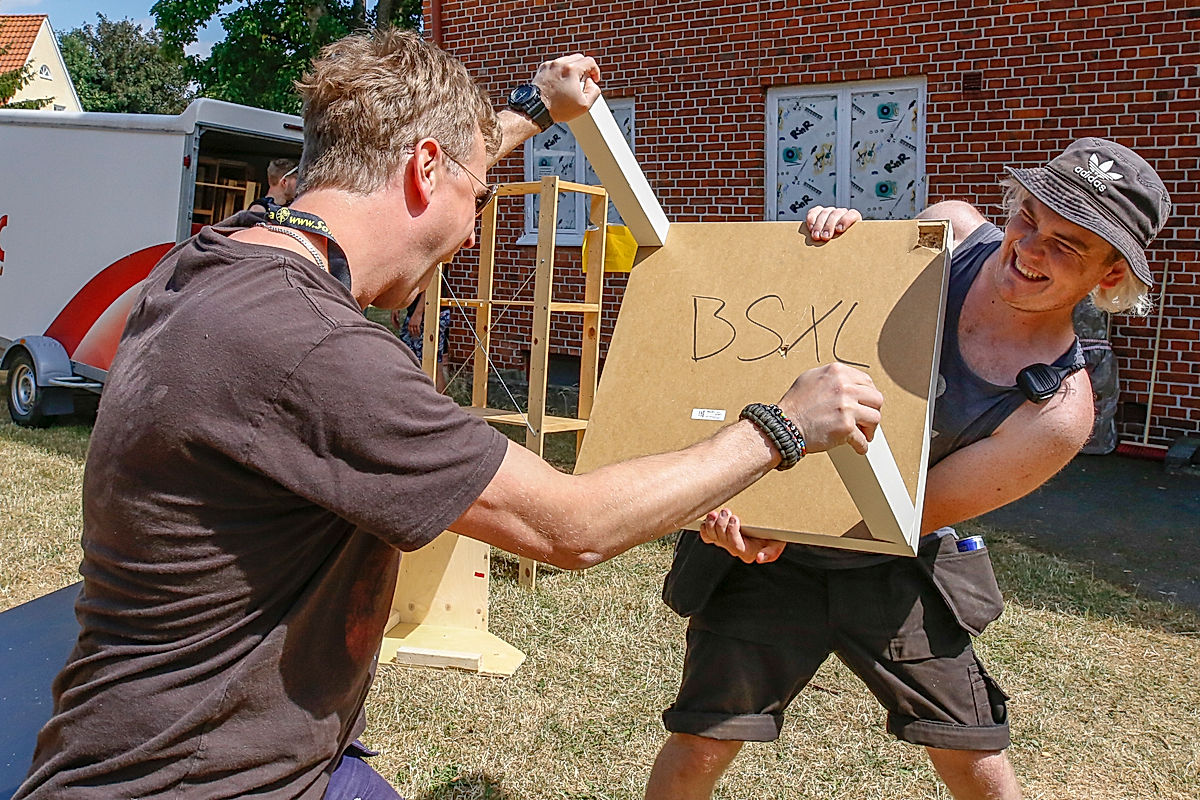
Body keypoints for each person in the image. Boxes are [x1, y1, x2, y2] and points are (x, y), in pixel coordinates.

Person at [14, 29, 884, 800]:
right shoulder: (316, 353)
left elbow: (400, 160)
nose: (473, 229)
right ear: (426, 169)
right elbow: (568, 527)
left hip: (248, 754)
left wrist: (531, 110)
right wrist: (780, 426)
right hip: (198, 779)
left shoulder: (213, 260)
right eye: (475, 195)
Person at [645, 138, 1171, 800]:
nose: (1031, 247)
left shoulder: (1056, 414)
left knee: (971, 751)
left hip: (892, 561)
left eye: (1068, 245)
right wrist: (838, 245)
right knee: (702, 738)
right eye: (1030, 217)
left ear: (1109, 277)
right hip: (774, 559)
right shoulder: (948, 233)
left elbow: (902, 512)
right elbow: (807, 321)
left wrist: (779, 520)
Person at [392, 287, 452, 392]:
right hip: (419, 312)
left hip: (429, 313)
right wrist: (397, 304)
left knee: (430, 366)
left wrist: (418, 313)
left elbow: (430, 285)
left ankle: (437, 404)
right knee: (416, 364)